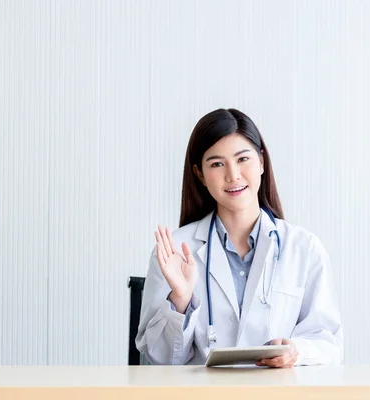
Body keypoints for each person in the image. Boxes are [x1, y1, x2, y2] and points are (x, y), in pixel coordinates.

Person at [136, 108, 343, 367]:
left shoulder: (304, 248)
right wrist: (181, 299)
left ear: (262, 163)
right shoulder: (174, 251)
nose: (233, 175)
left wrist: (295, 351)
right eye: (217, 164)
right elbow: (158, 360)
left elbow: (328, 344)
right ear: (200, 174)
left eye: (242, 159)